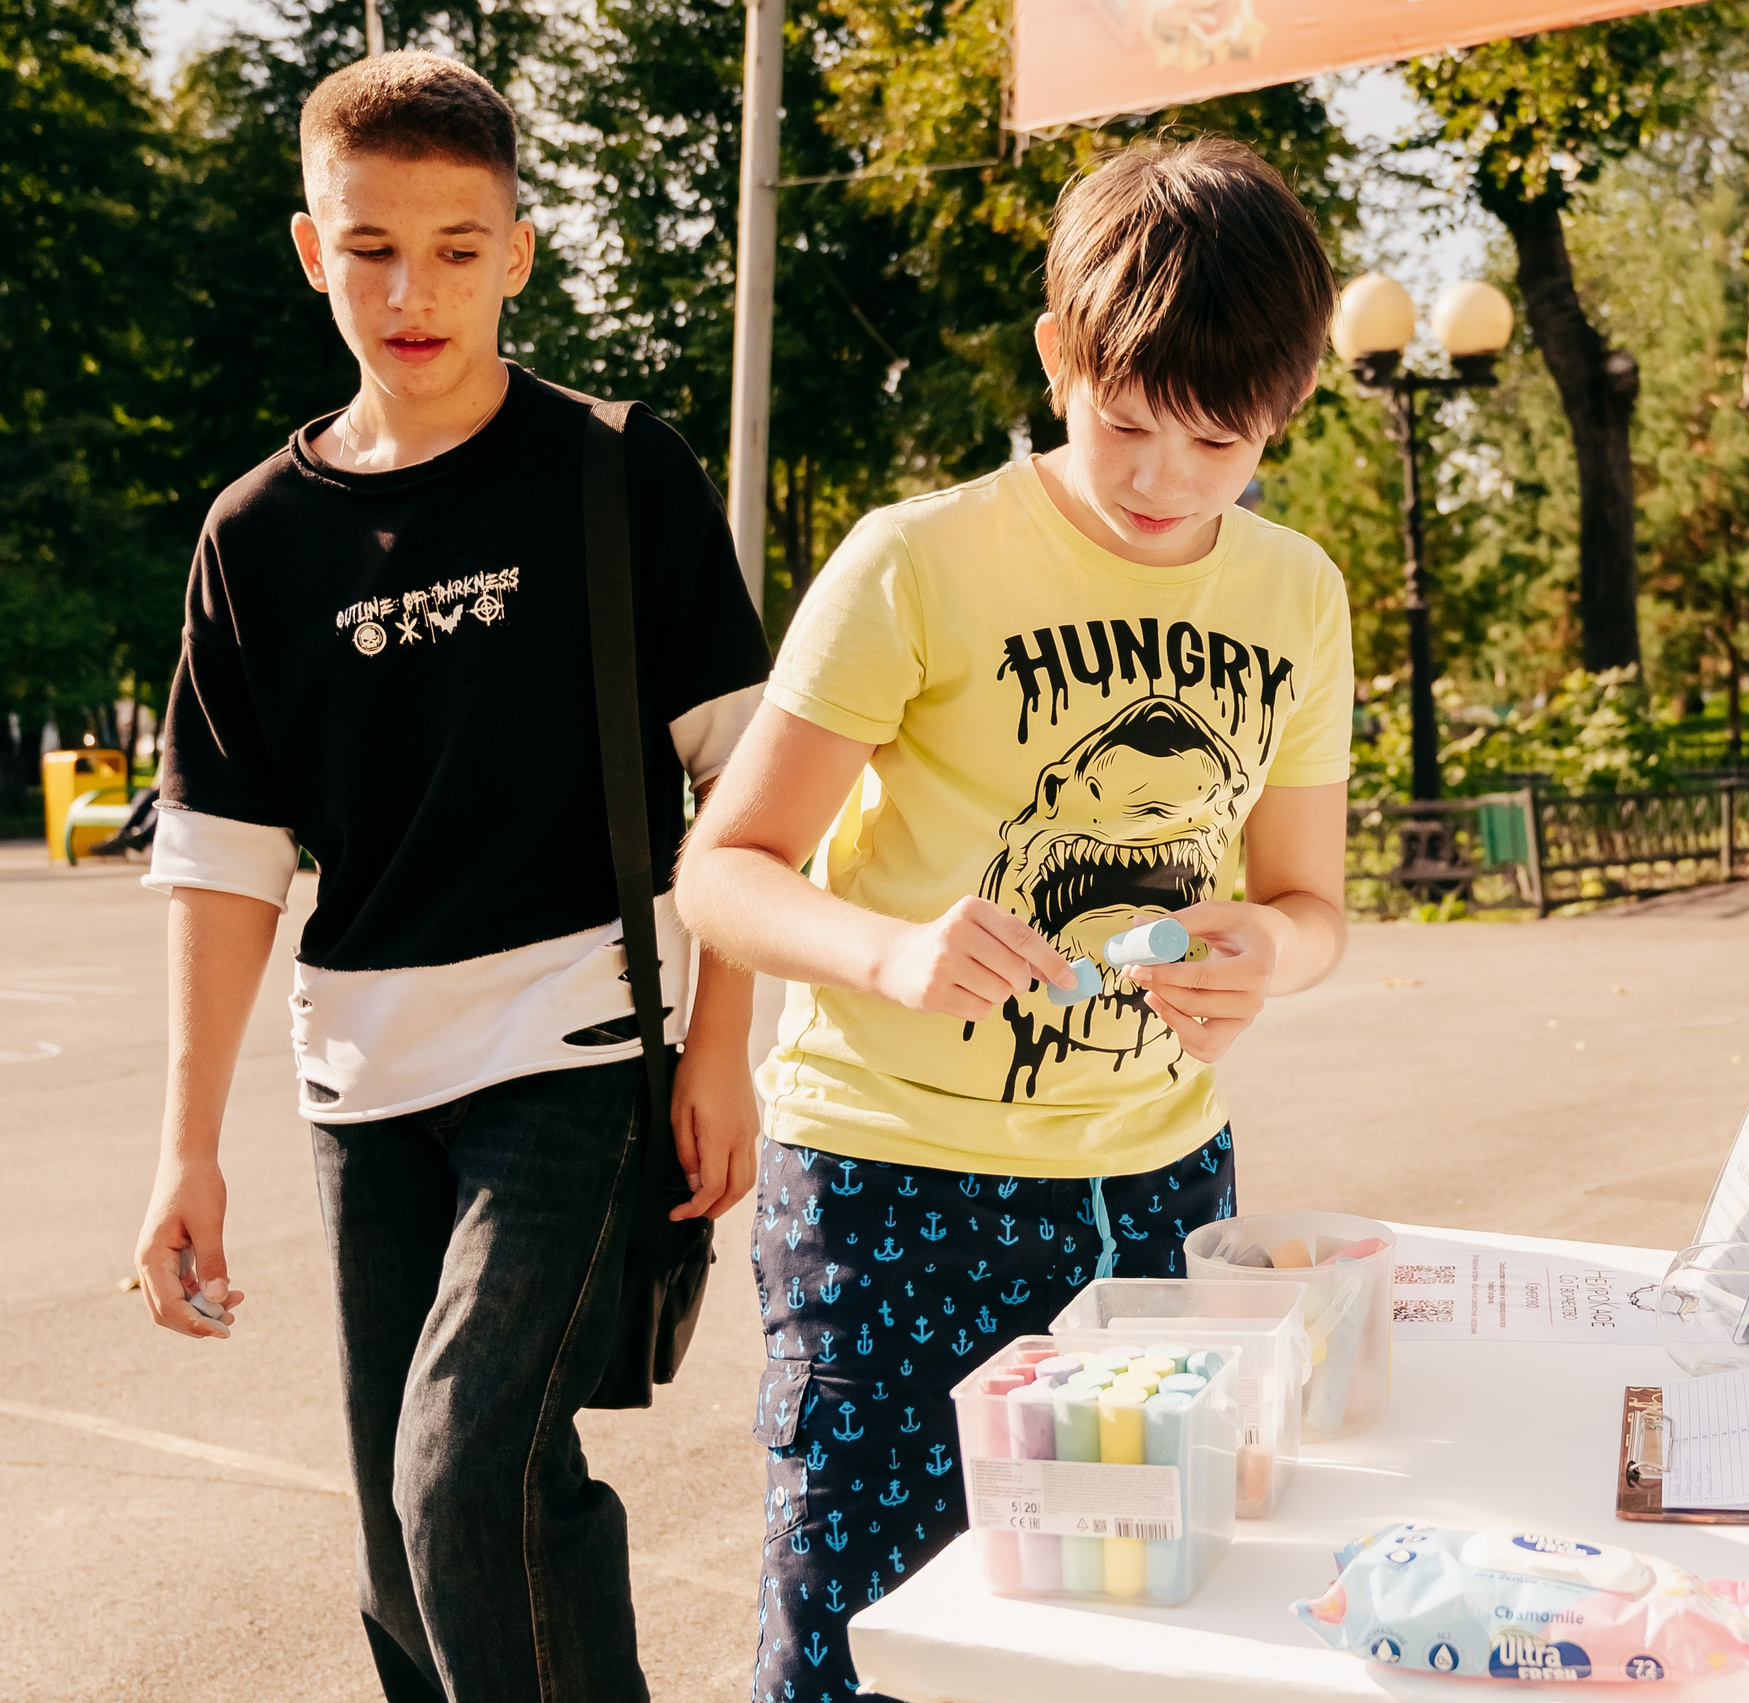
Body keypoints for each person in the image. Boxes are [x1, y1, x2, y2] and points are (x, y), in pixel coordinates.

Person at [127, 51, 770, 1703]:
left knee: (466, 1480)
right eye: (370, 248)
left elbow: (746, 787)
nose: (413, 290)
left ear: (520, 251)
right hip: (360, 1078)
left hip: (574, 1050)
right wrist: (185, 1152)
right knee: (398, 1564)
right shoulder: (255, 535)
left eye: (458, 247)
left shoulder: (619, 473)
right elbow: (221, 864)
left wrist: (721, 1049)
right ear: (308, 247)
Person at [674, 137, 1352, 1702]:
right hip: (888, 1192)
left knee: (1128, 1646)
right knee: (863, 1647)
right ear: (1058, 354)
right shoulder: (914, 561)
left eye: (1217, 442)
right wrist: (892, 954)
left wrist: (1274, 956)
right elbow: (728, 866)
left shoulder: (1298, 593)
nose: (1159, 483)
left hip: (1158, 1188)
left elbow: (1314, 905)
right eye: (1122, 422)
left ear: (1283, 414)